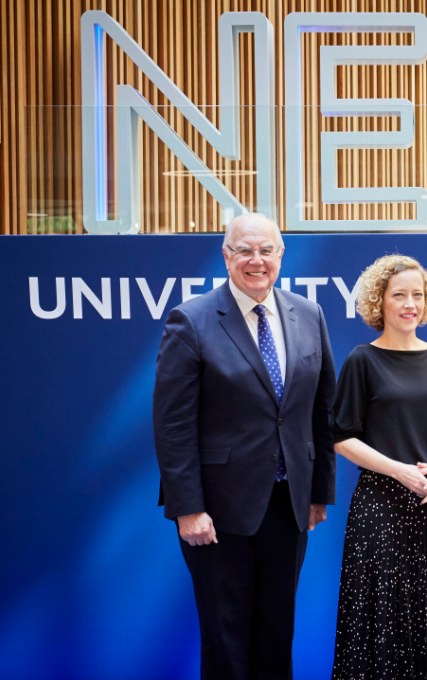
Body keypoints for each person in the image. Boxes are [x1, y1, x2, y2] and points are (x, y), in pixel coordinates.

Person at [153, 213, 337, 679]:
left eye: (266, 250)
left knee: (277, 632)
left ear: (281, 254)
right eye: (244, 251)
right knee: (226, 635)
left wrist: (318, 491)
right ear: (226, 256)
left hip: (288, 504)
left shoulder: (308, 314)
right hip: (217, 511)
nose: (256, 261)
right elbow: (172, 424)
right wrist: (187, 507)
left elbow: (322, 410)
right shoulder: (191, 320)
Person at [330, 254, 427, 680]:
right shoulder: (362, 359)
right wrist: (400, 471)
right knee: (380, 625)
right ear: (380, 302)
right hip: (380, 511)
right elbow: (341, 437)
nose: (410, 303)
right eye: (399, 295)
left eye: (418, 294)